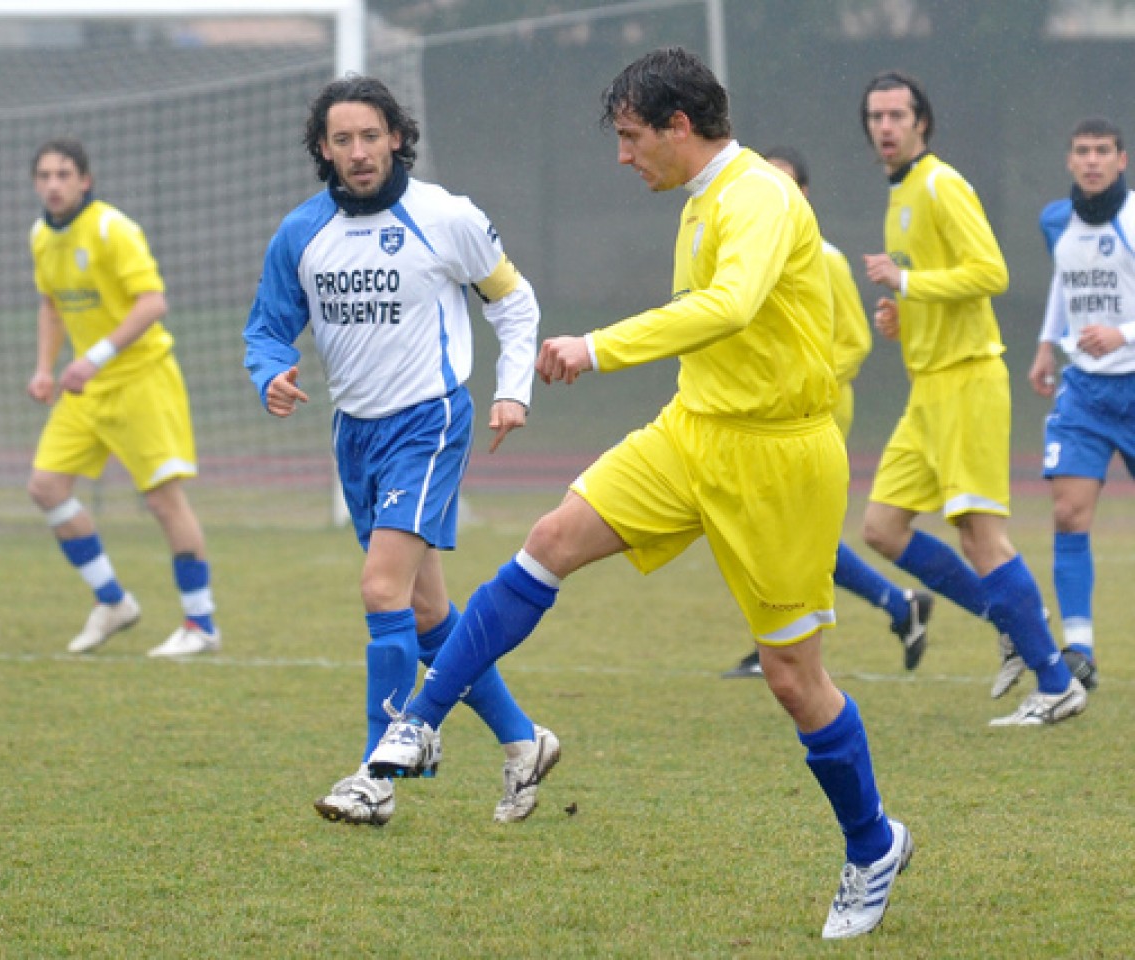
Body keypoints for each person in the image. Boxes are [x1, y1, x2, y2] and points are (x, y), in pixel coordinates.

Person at [370, 48, 910, 940]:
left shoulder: (764, 197)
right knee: (550, 540)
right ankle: (419, 723)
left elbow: (733, 307)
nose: (623, 157)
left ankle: (872, 845)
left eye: (631, 137)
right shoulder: (700, 198)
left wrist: (598, 346)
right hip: (692, 430)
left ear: (679, 127)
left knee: (792, 677)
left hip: (779, 460)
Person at [244, 76, 558, 827]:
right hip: (356, 434)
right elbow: (265, 327)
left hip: (429, 422)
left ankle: (375, 773)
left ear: (397, 137)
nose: (358, 152)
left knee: (381, 589)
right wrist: (269, 375)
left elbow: (514, 302)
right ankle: (524, 741)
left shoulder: (443, 216)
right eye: (342, 140)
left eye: (371, 136)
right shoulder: (301, 233)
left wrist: (513, 389)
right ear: (323, 149)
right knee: (425, 612)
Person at [858, 70, 1085, 725]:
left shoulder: (940, 183)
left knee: (981, 535)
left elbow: (990, 271)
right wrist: (905, 310)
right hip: (927, 387)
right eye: (876, 117)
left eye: (898, 115)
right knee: (882, 527)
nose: (887, 126)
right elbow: (937, 284)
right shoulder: (900, 194)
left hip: (967, 378)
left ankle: (1055, 681)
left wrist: (906, 279)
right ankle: (1009, 618)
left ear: (922, 122)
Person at [722, 145, 933, 680]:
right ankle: (893, 606)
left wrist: (802, 388)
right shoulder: (751, 254)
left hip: (817, 414)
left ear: (805, 194)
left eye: (787, 183)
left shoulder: (825, 256)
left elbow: (855, 343)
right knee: (777, 530)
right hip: (767, 416)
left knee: (788, 531)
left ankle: (785, 642)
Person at [27, 138, 219, 659]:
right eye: (44, 175)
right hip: (85, 387)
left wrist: (94, 357)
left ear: (84, 180)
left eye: (64, 174)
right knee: (46, 486)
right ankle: (113, 602)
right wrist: (45, 368)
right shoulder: (41, 237)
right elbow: (50, 305)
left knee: (162, 499)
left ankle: (200, 623)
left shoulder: (113, 228)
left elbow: (153, 303)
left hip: (140, 377)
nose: (53, 184)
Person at [1026, 116, 1135, 693]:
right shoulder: (1055, 220)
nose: (1091, 160)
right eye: (1081, 151)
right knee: (1068, 512)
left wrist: (1125, 333)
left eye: (1102, 151)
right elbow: (1064, 283)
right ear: (1070, 160)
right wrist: (1048, 344)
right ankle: (1080, 651)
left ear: (1122, 160)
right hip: (1087, 391)